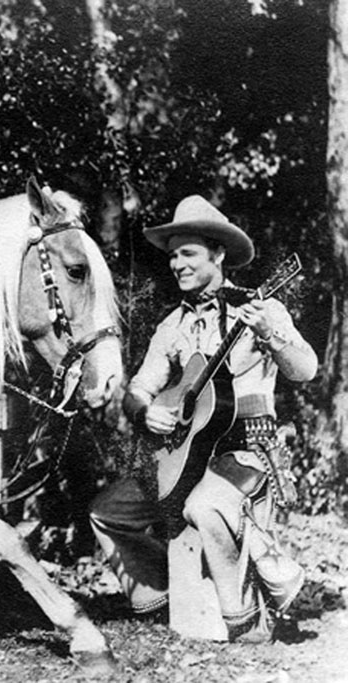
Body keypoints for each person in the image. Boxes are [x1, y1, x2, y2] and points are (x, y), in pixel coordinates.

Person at [90, 195, 318, 642]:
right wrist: (146, 411)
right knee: (107, 512)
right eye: (172, 255)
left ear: (218, 254)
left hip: (246, 451)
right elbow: (137, 390)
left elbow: (306, 370)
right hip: (188, 454)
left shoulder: (261, 308)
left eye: (188, 253)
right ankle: (161, 592)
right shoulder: (172, 324)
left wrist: (269, 335)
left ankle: (243, 620)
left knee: (204, 506)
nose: (176, 263)